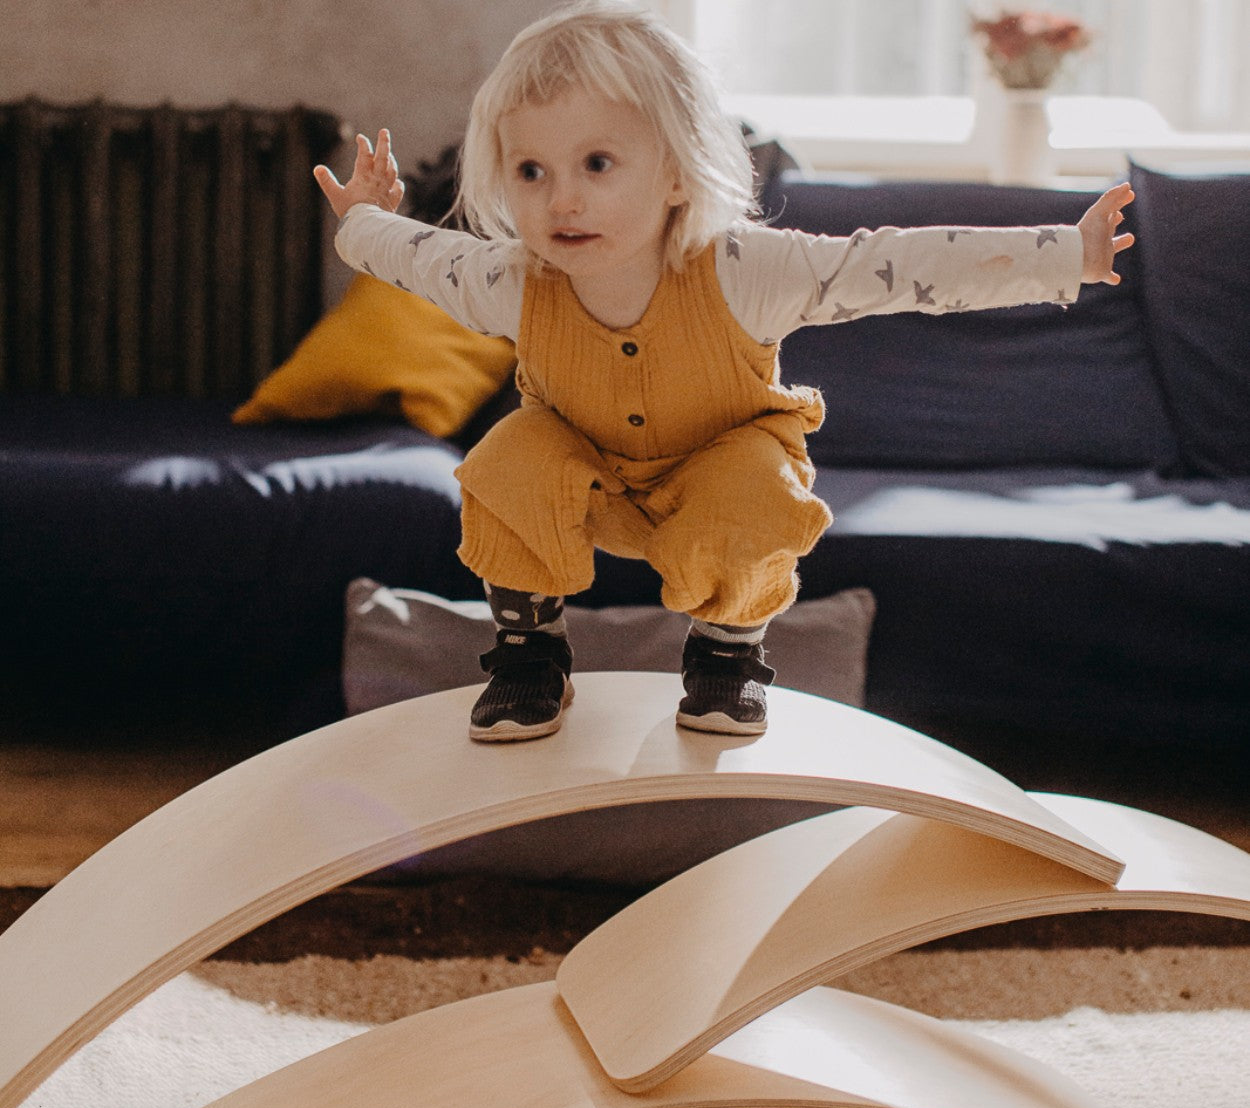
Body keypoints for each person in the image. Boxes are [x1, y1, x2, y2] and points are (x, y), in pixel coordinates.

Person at [314, 0, 1134, 744]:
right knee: (505, 459)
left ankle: (727, 653)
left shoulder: (746, 269)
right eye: (532, 172)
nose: (561, 201)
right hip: (584, 467)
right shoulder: (513, 280)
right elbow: (421, 256)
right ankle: (530, 656)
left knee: (758, 495)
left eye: (597, 164)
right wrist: (363, 224)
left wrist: (1067, 254)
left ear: (675, 172)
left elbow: (899, 264)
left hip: (719, 464)